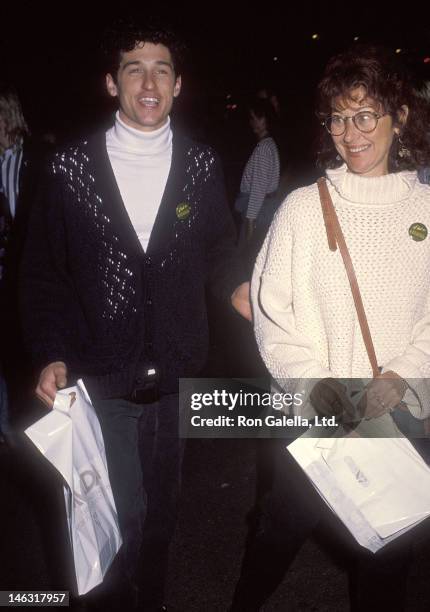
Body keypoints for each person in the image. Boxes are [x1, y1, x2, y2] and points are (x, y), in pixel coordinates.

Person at [20, 19, 249, 611]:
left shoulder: (201, 165)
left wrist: (238, 286)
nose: (149, 81)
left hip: (175, 378)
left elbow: (219, 249)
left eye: (162, 69)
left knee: (165, 515)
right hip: (101, 376)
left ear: (178, 85)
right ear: (110, 82)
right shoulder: (69, 169)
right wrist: (50, 350)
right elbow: (44, 272)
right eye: (133, 68)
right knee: (118, 518)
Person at [230, 44, 430, 611]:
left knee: (387, 559)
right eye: (339, 117)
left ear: (401, 117)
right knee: (275, 540)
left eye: (366, 114)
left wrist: (404, 371)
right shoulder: (300, 209)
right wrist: (325, 393)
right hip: (313, 419)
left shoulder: (426, 213)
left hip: (401, 415)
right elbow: (272, 315)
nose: (351, 131)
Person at [235, 98, 281, 259]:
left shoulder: (263, 149)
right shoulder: (268, 145)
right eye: (252, 118)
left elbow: (257, 191)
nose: (254, 122)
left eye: (259, 117)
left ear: (267, 119)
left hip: (258, 213)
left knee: (248, 260)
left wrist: (249, 223)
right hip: (264, 210)